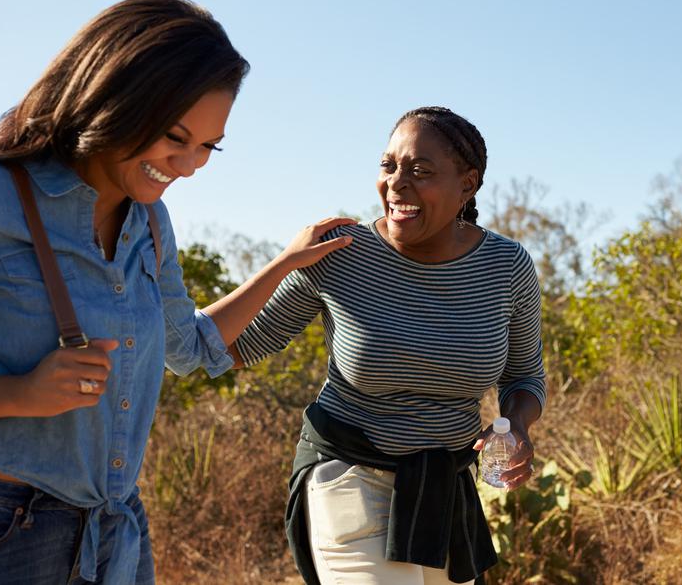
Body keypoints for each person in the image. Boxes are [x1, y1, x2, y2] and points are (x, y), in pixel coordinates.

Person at [0, 0, 354, 584]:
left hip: (114, 537)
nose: (188, 165)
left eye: (208, 147)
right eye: (174, 136)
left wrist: (286, 263)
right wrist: (16, 394)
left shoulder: (149, 223)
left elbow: (188, 347)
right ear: (117, 100)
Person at [229, 106, 546, 585]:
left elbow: (524, 376)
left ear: (468, 184)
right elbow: (237, 346)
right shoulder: (340, 252)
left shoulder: (505, 266)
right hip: (350, 476)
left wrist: (517, 425)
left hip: (442, 492)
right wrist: (281, 264)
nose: (397, 184)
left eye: (420, 172)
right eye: (388, 166)